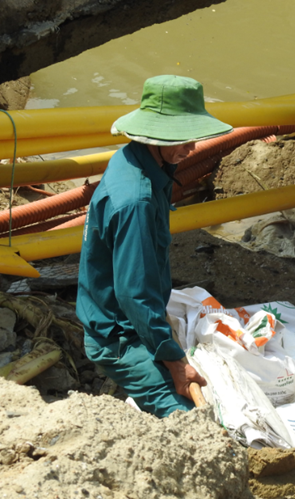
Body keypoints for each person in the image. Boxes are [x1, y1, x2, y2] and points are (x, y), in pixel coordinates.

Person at [76, 75, 233, 418]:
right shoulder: (137, 200)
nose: (191, 147)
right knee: (185, 416)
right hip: (119, 335)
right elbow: (135, 294)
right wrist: (174, 361)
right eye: (182, 138)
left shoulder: (137, 160)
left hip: (128, 316)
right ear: (155, 135)